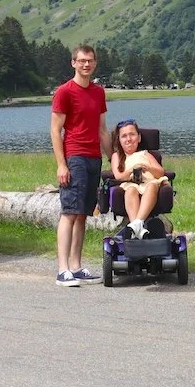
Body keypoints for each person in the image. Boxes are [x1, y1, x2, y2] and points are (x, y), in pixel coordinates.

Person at [50, 44, 109, 286]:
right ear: (73, 63)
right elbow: (55, 130)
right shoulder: (65, 91)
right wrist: (61, 165)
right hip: (74, 157)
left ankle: (76, 266)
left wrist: (115, 158)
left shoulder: (98, 92)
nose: (86, 64)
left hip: (94, 157)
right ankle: (62, 270)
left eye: (90, 61)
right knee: (70, 212)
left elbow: (103, 130)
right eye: (82, 60)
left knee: (83, 214)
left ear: (95, 64)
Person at [108, 119, 169, 238]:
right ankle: (138, 227)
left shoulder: (145, 154)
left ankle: (136, 224)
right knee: (131, 190)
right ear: (119, 140)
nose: (128, 139)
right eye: (124, 136)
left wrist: (148, 168)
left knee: (152, 186)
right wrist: (132, 169)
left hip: (148, 183)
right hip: (130, 184)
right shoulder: (117, 156)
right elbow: (119, 176)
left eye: (132, 134)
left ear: (139, 138)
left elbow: (160, 172)